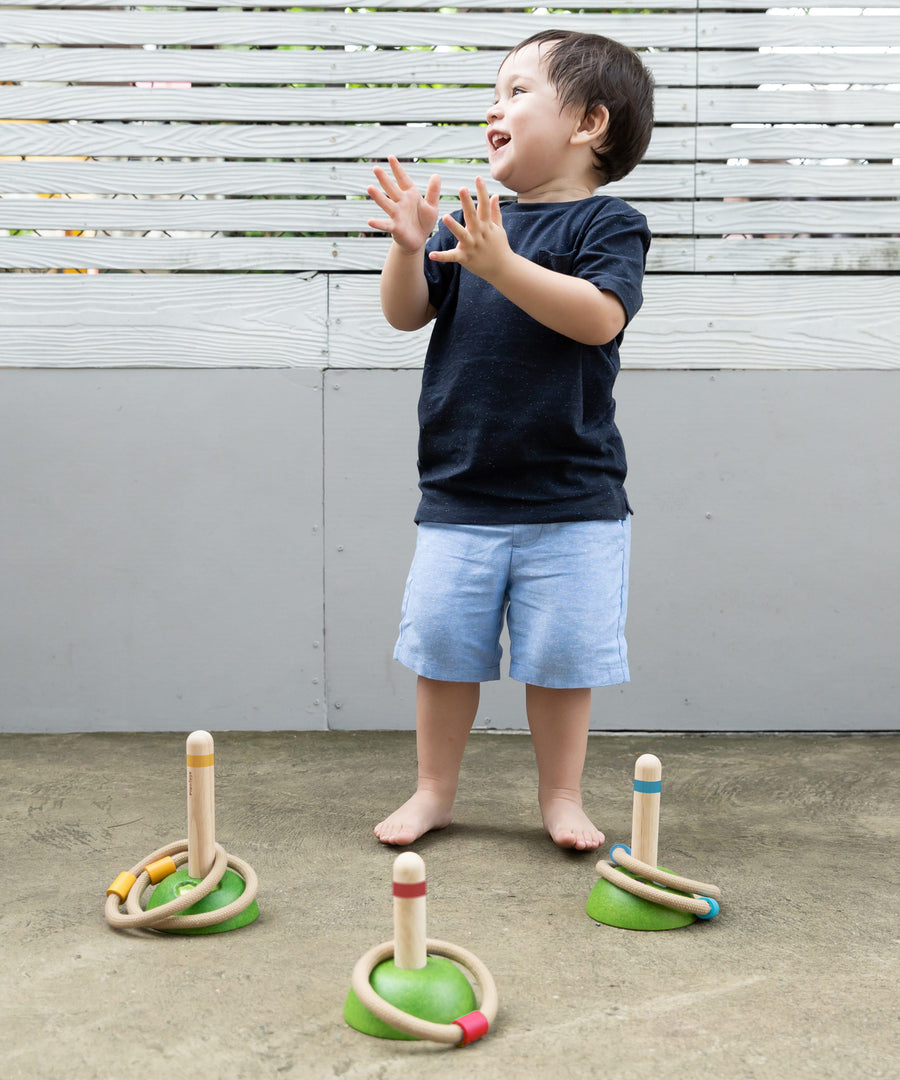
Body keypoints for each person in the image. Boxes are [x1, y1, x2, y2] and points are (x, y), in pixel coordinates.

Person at [365, 30, 654, 851]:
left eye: (519, 90)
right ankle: (433, 790)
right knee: (444, 653)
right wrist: (410, 247)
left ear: (588, 123)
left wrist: (499, 267)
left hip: (574, 500)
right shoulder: (472, 227)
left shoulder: (609, 223)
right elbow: (405, 313)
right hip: (460, 492)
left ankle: (561, 796)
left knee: (563, 662)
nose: (496, 107)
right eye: (496, 93)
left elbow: (599, 316)